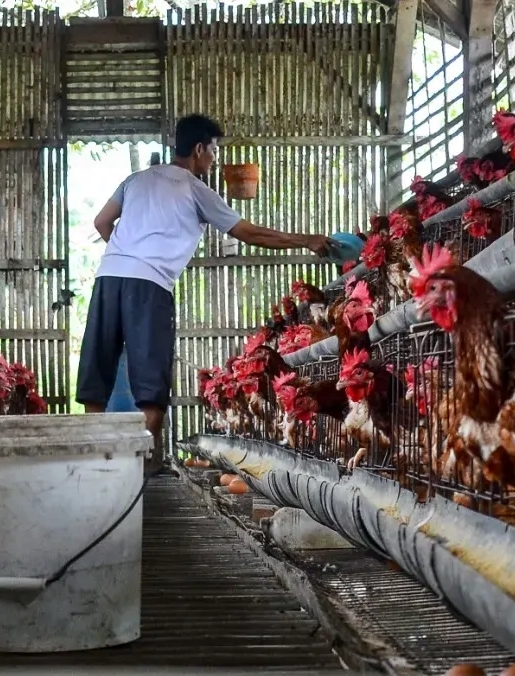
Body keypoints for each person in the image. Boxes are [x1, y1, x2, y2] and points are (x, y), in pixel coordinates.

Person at [79, 114, 330, 459]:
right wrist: (306, 240)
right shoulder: (196, 189)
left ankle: (93, 461)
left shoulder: (135, 180)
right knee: (151, 387)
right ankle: (141, 466)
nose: (214, 159)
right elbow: (250, 233)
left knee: (97, 378)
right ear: (199, 149)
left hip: (108, 278)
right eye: (213, 151)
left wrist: (126, 254)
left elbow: (101, 222)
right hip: (149, 286)